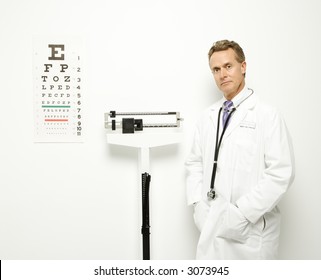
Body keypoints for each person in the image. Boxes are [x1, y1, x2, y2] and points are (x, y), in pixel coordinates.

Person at [185, 40, 295, 259]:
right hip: (211, 224)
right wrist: (198, 205)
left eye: (228, 66)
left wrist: (242, 213)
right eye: (216, 69)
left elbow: (281, 173)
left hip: (251, 234)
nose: (222, 74)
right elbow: (194, 163)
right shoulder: (207, 117)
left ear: (243, 67)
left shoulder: (266, 115)